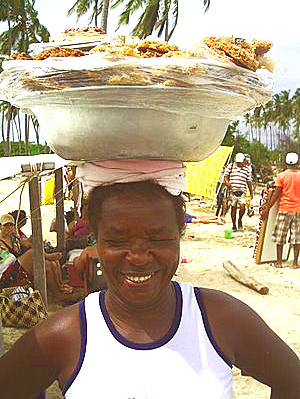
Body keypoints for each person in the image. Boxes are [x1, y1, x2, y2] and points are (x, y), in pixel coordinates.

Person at [0, 178, 299, 399]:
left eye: (158, 239)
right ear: (96, 242)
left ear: (179, 236)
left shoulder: (220, 318)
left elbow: (291, 381)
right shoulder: (65, 334)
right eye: (117, 240)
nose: (139, 257)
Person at [0, 213, 73, 296]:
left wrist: (32, 240)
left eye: (11, 225)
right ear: (0, 227)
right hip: (9, 274)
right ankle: (48, 256)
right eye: (6, 225)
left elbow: (27, 244)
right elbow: (8, 261)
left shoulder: (14, 238)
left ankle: (59, 289)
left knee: (50, 264)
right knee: (32, 252)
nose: (9, 228)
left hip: (19, 268)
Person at [261, 152, 300, 269]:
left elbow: (276, 194)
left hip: (284, 209)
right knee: (296, 237)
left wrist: (267, 208)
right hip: (298, 210)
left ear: (286, 163)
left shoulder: (281, 176)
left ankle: (278, 262)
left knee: (280, 236)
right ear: (297, 163)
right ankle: (295, 263)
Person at [223, 153, 254, 231]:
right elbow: (225, 177)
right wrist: (227, 183)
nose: (239, 164)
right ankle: (234, 225)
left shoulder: (246, 169)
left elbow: (249, 181)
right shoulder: (231, 166)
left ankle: (240, 219)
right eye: (238, 162)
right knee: (233, 208)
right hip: (232, 191)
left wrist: (251, 192)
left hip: (242, 191)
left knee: (242, 207)